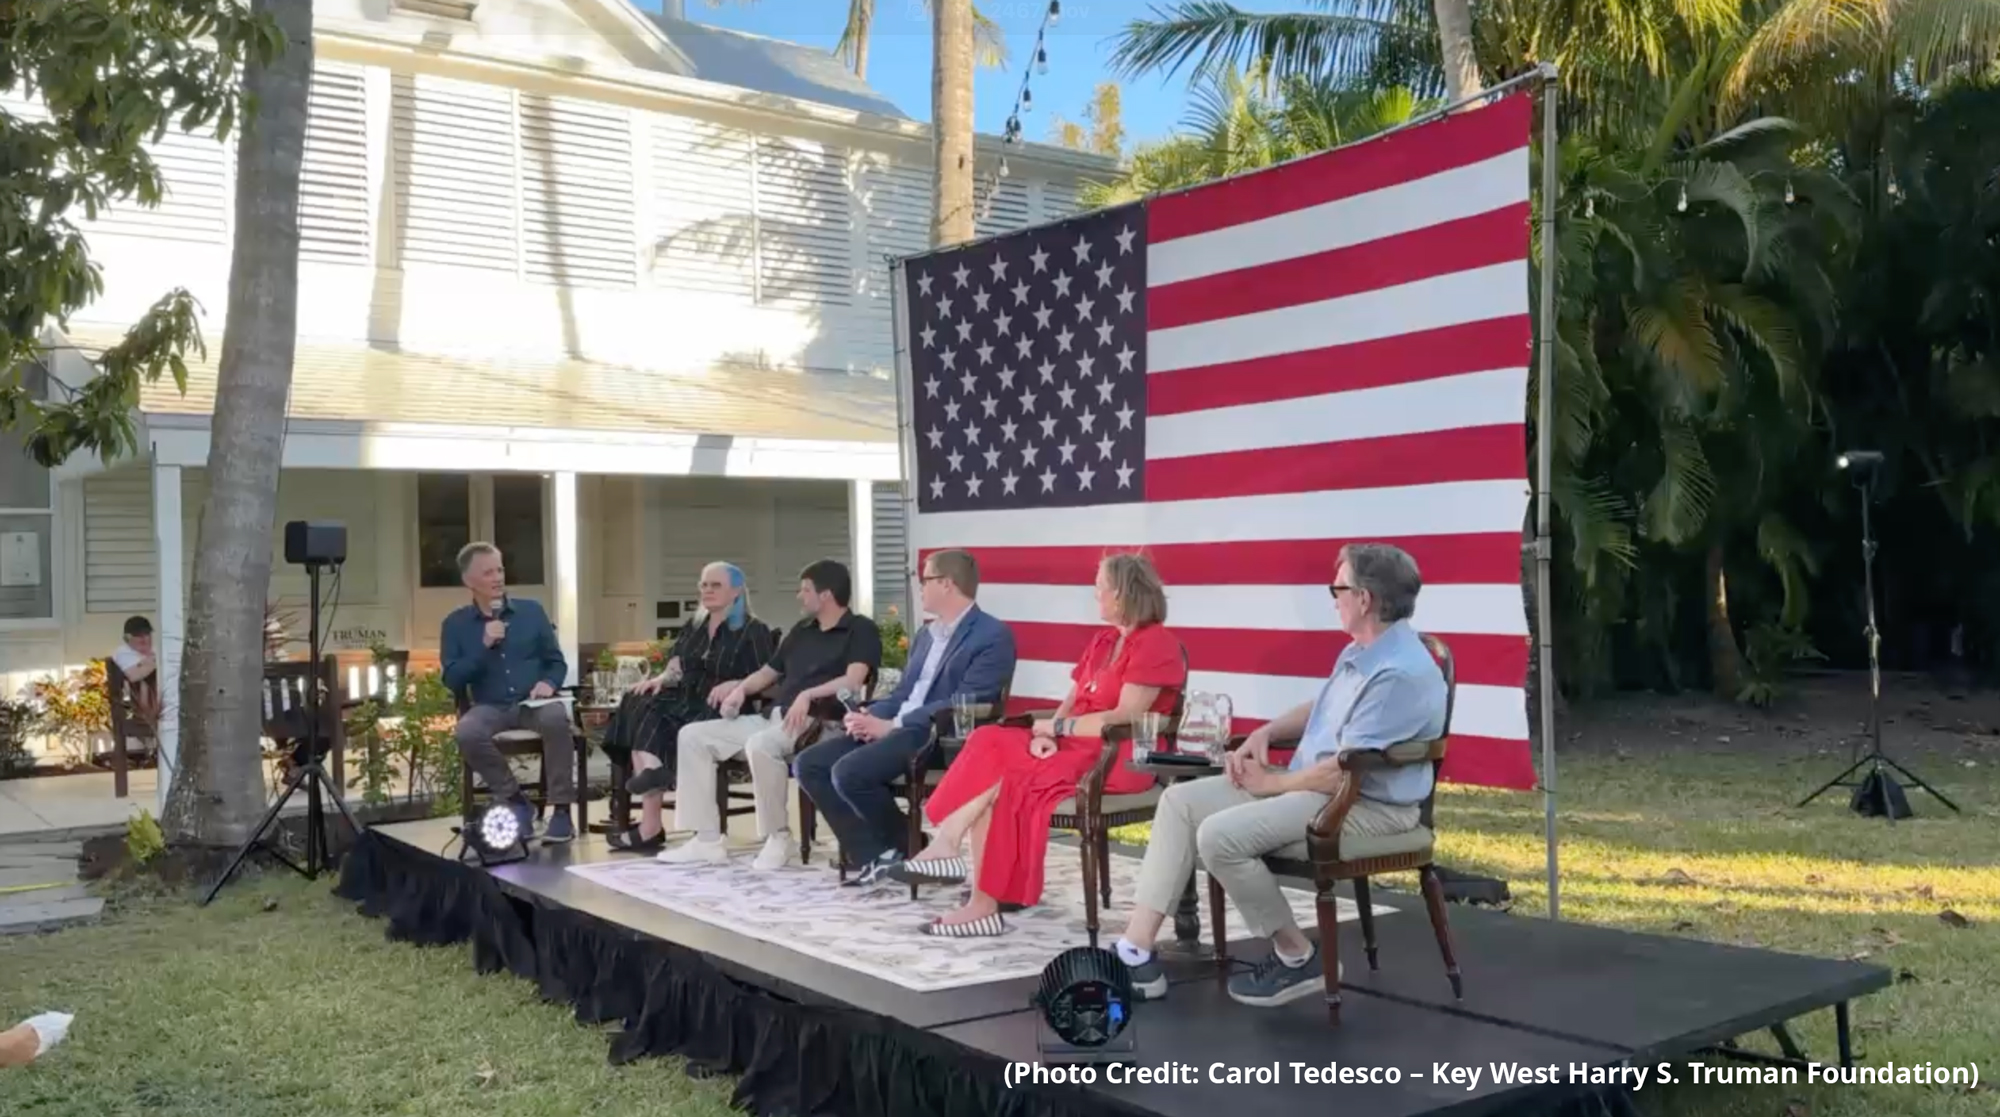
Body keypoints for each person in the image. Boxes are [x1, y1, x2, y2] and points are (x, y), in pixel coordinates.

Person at [1107, 543, 1447, 1008]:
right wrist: (1265, 733)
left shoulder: (1399, 674)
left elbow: (1344, 771)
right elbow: (1322, 707)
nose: (1334, 599)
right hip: (1318, 788)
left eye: (1338, 589)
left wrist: (1272, 783)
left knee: (1220, 837)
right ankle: (1136, 952)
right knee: (1180, 803)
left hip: (1366, 806)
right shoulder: (1365, 650)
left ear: (1364, 599)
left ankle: (1297, 955)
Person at [889, 553, 1186, 937]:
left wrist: (1059, 728)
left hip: (1117, 755)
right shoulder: (1104, 640)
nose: (1095, 593)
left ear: (1123, 593)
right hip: (1072, 743)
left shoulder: (1156, 643)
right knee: (988, 738)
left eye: (1100, 586)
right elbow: (1072, 699)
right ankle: (954, 855)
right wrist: (1046, 734)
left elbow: (1123, 717)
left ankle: (975, 894)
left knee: (1004, 778)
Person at [794, 549, 1016, 884]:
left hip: (937, 735)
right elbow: (903, 694)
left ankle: (902, 847)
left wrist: (892, 725)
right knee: (809, 764)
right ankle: (879, 852)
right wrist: (870, 715)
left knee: (849, 771)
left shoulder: (992, 635)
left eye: (924, 579)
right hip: (899, 728)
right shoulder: (926, 635)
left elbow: (968, 700)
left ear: (947, 584)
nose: (919, 587)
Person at [660, 559, 882, 870]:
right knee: (693, 735)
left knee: (761, 745)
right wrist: (740, 690)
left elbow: (854, 680)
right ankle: (706, 840)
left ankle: (779, 837)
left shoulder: (860, 629)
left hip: (821, 721)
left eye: (805, 590)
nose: (799, 596)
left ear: (826, 595)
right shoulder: (802, 630)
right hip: (776, 717)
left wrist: (808, 694)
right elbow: (768, 672)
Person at [604, 562, 777, 854]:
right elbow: (675, 668)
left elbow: (769, 677)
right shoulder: (694, 626)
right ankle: (655, 774)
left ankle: (651, 818)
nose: (707, 590)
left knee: (654, 719)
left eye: (715, 585)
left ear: (736, 591)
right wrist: (659, 679)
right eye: (703, 585)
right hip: (686, 697)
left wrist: (736, 684)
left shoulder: (753, 630)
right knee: (638, 699)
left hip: (721, 706)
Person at [443, 542, 577, 843]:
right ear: (468, 580)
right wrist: (483, 646)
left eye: (500, 570)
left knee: (556, 719)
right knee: (467, 732)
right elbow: (452, 679)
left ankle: (561, 811)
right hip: (490, 706)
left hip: (533, 702)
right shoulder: (455, 624)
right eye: (488, 572)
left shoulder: (532, 612)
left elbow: (556, 662)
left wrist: (549, 683)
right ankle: (516, 801)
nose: (498, 578)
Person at [107, 616, 161, 730]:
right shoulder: (123, 652)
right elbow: (134, 675)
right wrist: (158, 662)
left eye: (147, 634)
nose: (144, 639)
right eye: (138, 635)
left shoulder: (157, 651)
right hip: (139, 708)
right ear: (127, 638)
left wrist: (148, 662)